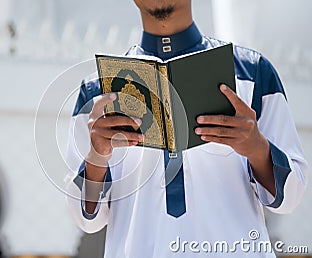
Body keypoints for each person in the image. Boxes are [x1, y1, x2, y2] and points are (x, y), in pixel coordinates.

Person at [65, 0, 308, 257]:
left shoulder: (253, 73)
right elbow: (86, 218)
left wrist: (258, 148)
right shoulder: (98, 93)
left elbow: (291, 197)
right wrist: (97, 157)